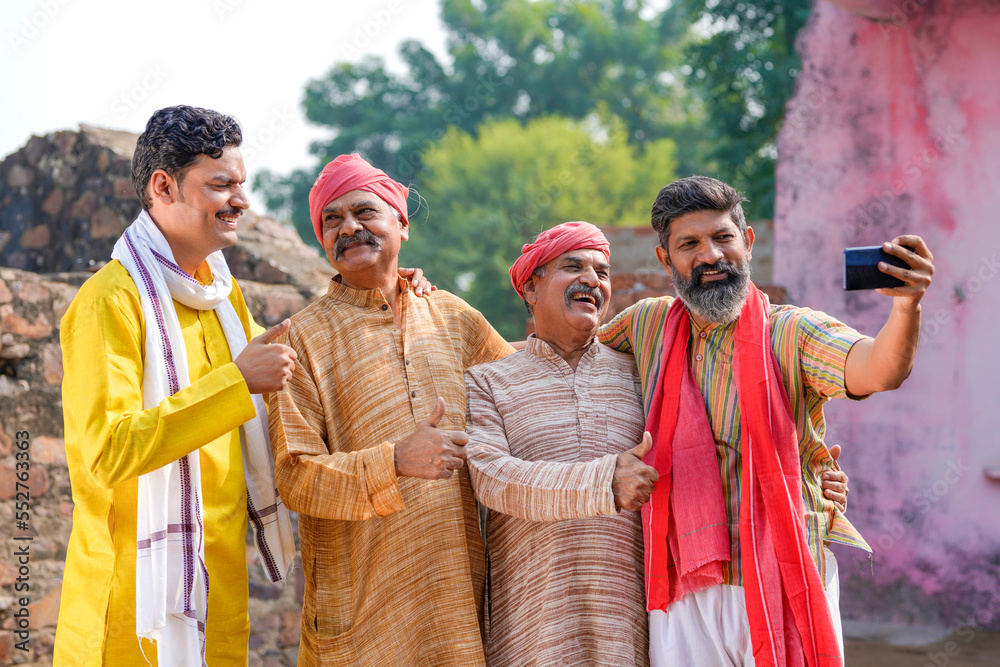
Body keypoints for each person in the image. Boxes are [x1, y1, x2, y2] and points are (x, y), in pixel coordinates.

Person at [598, 176, 934, 667]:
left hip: (786, 574)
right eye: (689, 244)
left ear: (747, 242)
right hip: (682, 587)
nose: (710, 255)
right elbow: (561, 364)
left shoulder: (792, 332)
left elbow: (879, 369)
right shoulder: (647, 325)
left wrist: (906, 307)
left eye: (722, 237)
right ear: (665, 260)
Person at [55, 106, 297, 666]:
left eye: (241, 184)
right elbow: (109, 451)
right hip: (132, 613)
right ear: (163, 186)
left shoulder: (221, 299)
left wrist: (385, 283)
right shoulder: (111, 302)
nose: (241, 201)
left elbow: (294, 359)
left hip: (214, 596)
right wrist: (236, 383)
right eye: (221, 185)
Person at [268, 154, 513, 666]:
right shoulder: (302, 340)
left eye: (364, 212)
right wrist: (395, 461)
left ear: (402, 223)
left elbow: (526, 393)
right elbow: (295, 477)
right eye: (331, 220)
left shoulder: (452, 316)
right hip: (360, 616)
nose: (348, 227)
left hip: (456, 603)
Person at [464, 221, 657, 666]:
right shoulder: (488, 381)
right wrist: (604, 481)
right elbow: (493, 479)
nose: (593, 280)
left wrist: (812, 473)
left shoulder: (641, 373)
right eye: (574, 266)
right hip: (531, 625)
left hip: (630, 624)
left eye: (603, 273)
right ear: (531, 289)